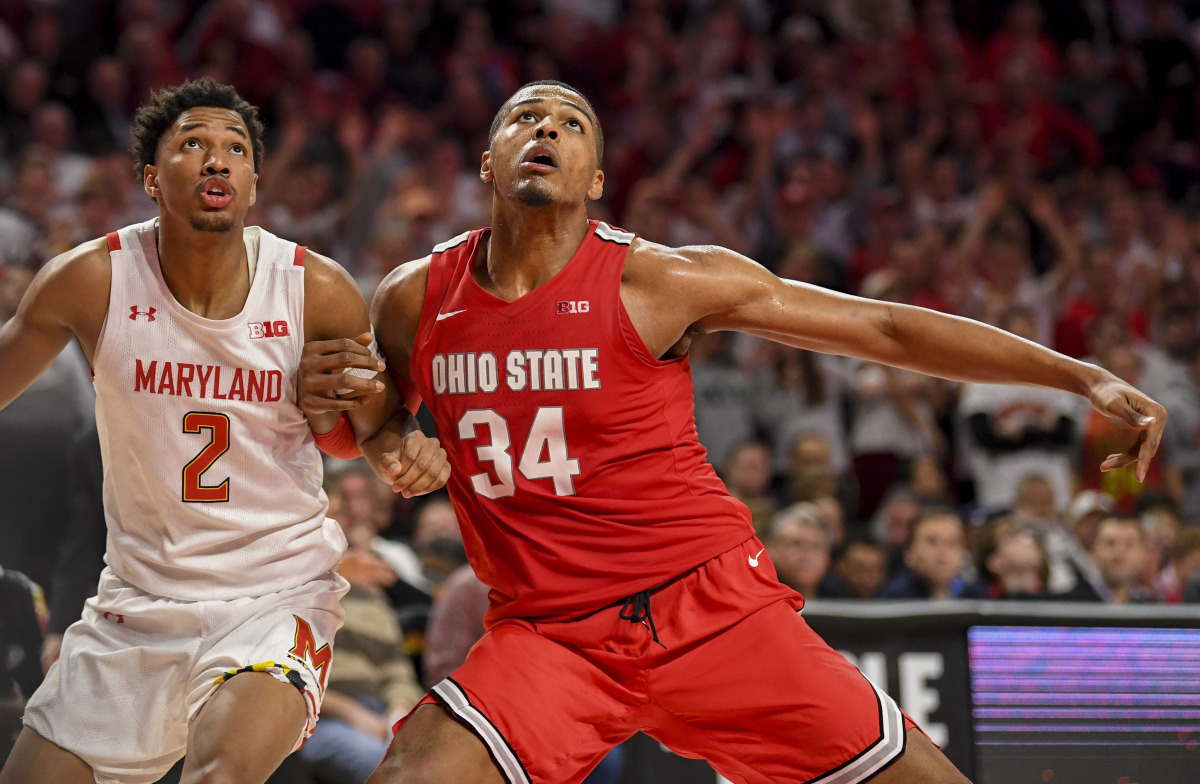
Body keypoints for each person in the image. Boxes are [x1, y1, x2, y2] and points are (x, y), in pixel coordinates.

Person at [345, 80, 1165, 784]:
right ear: (487, 162)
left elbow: (882, 328)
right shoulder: (415, 297)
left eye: (571, 123)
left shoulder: (660, 280)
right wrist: (392, 447)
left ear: (595, 179)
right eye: (525, 118)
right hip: (548, 632)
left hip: (709, 609)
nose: (546, 130)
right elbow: (373, 423)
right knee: (411, 772)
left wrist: (1081, 375)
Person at [0, 79, 451, 784]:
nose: (218, 160)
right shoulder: (91, 280)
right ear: (151, 177)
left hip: (273, 596)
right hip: (137, 603)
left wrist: (410, 452)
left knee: (220, 775)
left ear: (253, 183)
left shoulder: (313, 287)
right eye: (193, 144)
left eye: (235, 149)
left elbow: (377, 431)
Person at [880, 509, 986, 600]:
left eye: (952, 543)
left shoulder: (976, 598)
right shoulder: (893, 599)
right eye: (932, 542)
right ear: (908, 551)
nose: (943, 552)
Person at [765, 504, 832, 597]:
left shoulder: (842, 598)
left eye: (815, 546)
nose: (806, 554)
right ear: (772, 548)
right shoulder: (753, 597)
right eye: (796, 544)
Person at [1088, 515, 1158, 604]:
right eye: (1110, 543)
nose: (1119, 553)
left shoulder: (1155, 605)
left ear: (1143, 551)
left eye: (1129, 544)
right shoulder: (1073, 602)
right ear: (1093, 550)